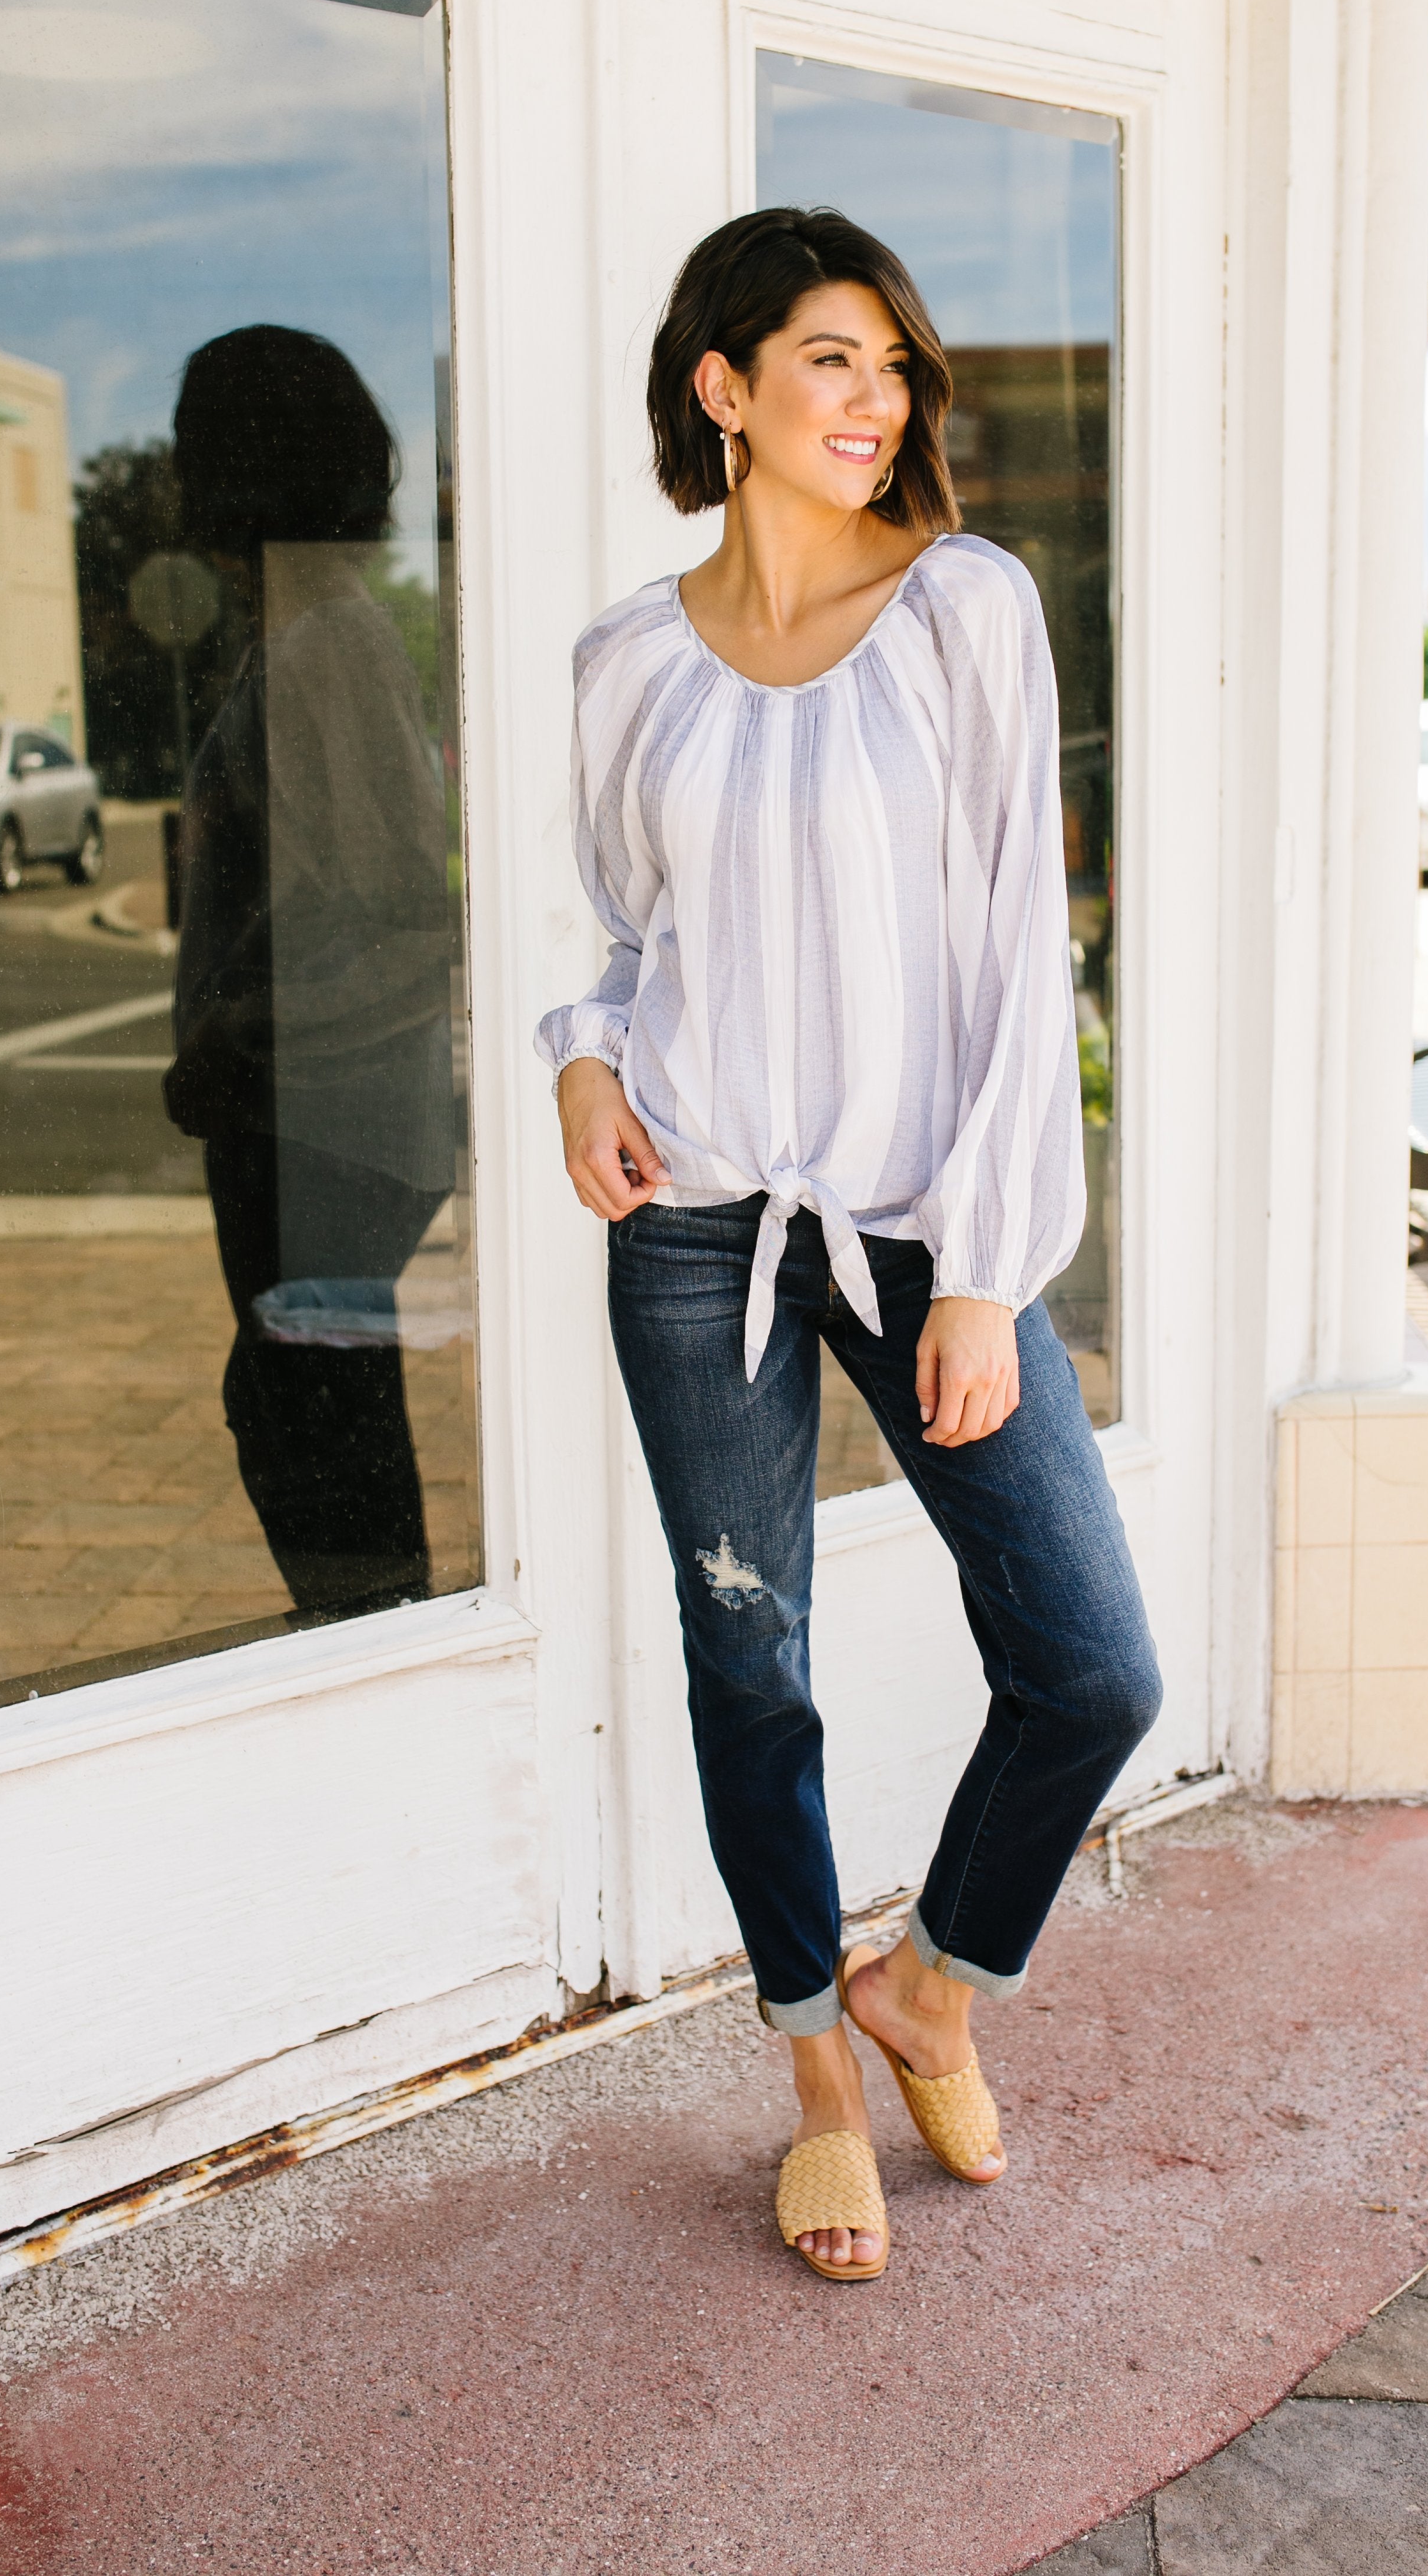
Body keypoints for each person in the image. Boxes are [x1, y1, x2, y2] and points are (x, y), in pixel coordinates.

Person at [536, 209, 1162, 2283]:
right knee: (752, 1665)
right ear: (723, 388)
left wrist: (982, 1267)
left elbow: (1016, 941)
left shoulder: (968, 609)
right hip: (698, 1232)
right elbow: (630, 937)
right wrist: (581, 1063)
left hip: (916, 1231)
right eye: (829, 360)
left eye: (893, 365)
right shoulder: (627, 660)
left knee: (1087, 1663)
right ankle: (818, 2078)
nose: (876, 401)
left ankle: (934, 1986)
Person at [165, 325, 453, 1617]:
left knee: (314, 1424)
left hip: (320, 1130)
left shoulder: (327, 647)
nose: (175, 479)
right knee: (305, 1411)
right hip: (311, 1123)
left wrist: (240, 1042)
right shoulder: (307, 635)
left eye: (194, 447)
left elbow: (402, 922)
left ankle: (378, 1667)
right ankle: (370, 1653)